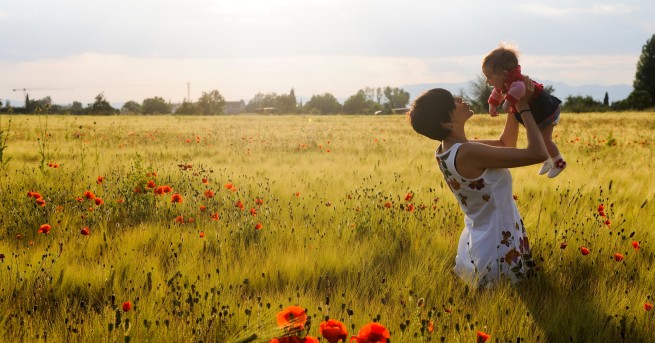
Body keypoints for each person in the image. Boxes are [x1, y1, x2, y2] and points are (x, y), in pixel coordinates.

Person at [408, 76, 547, 288]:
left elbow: (505, 143)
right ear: (446, 121)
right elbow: (538, 153)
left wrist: (513, 104)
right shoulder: (468, 152)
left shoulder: (448, 151)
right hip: (499, 247)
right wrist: (524, 107)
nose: (460, 99)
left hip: (485, 239)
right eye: (453, 100)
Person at [483, 45, 566, 178]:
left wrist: (507, 103)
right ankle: (547, 160)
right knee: (537, 137)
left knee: (545, 139)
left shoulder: (516, 82)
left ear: (504, 74)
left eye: (489, 77)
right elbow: (497, 92)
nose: (487, 81)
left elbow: (520, 90)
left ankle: (558, 161)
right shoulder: (504, 82)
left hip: (547, 111)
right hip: (537, 112)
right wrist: (492, 104)